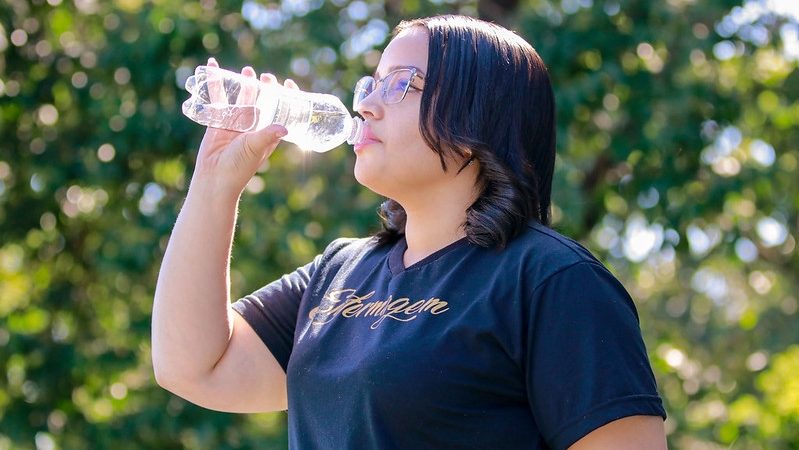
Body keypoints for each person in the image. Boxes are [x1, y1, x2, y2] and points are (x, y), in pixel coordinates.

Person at [152, 14, 668, 450]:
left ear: (477, 115)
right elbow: (194, 367)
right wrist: (215, 183)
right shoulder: (338, 271)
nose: (367, 105)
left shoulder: (551, 280)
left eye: (401, 84)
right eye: (370, 84)